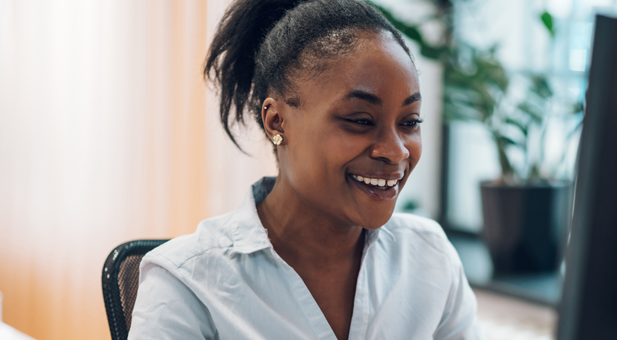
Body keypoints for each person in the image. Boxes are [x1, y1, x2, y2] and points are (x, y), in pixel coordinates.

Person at [128, 0, 483, 339]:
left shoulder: (429, 255)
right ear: (277, 121)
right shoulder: (186, 282)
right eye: (360, 120)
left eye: (410, 121)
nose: (395, 151)